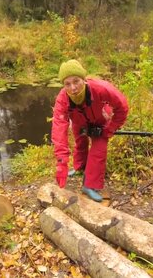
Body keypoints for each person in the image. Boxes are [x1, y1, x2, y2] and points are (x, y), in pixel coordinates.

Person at [51, 59, 129, 202]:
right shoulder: (62, 99)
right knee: (80, 142)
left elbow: (122, 107)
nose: (73, 87)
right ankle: (80, 166)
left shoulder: (100, 88)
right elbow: (59, 129)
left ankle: (89, 185)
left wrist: (110, 128)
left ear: (84, 79)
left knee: (99, 149)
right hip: (79, 121)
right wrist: (62, 162)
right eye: (67, 84)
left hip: (101, 119)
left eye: (76, 81)